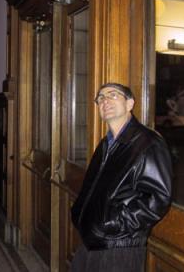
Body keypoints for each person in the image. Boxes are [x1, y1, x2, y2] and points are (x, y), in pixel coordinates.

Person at [71, 83, 173, 272]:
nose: (105, 100)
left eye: (113, 95)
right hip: (91, 239)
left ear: (130, 104)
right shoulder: (106, 144)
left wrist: (113, 224)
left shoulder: (148, 143)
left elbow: (158, 198)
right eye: (100, 98)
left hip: (120, 246)